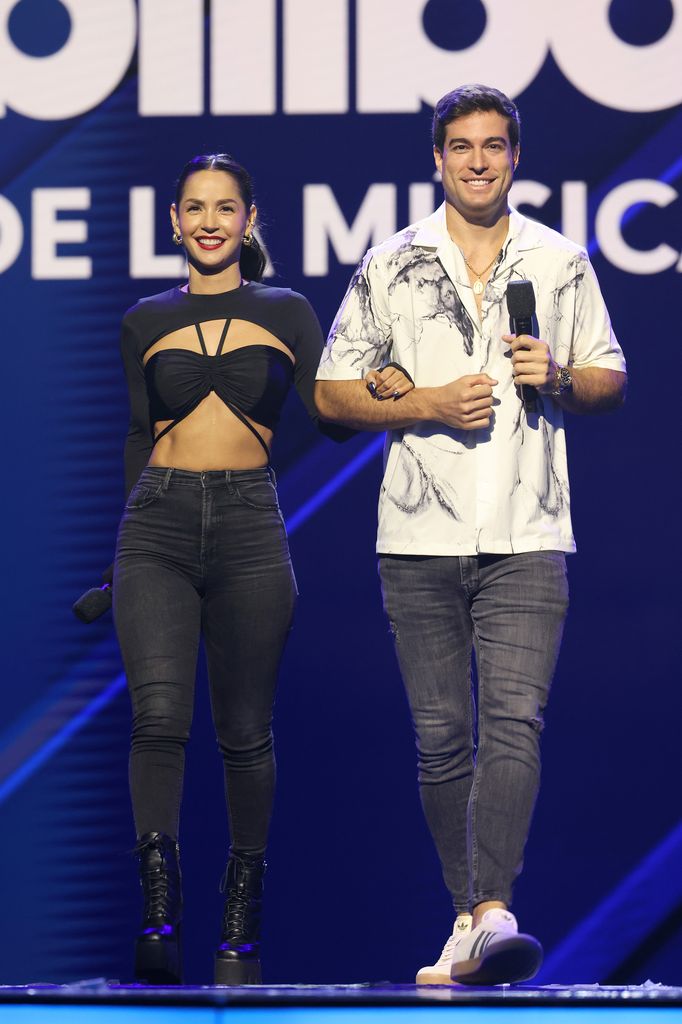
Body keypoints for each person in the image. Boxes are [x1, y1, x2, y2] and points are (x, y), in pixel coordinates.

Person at [315, 84, 627, 986]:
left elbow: (610, 376)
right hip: (417, 535)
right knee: (442, 737)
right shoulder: (390, 263)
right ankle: (472, 923)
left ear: (516, 157)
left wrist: (559, 373)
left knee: (514, 722)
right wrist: (425, 404)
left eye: (495, 145)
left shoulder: (559, 262)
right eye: (462, 146)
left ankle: (489, 912)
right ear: (439, 158)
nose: (479, 161)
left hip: (529, 528)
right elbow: (333, 395)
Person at [113, 152, 413, 986]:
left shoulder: (287, 309)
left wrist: (381, 385)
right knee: (158, 717)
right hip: (156, 527)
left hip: (249, 525)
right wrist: (121, 552)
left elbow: (335, 410)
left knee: (244, 732)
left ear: (248, 221)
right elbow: (139, 439)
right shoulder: (143, 319)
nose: (210, 221)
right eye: (195, 207)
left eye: (226, 207)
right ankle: (159, 903)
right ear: (175, 221)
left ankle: (241, 910)